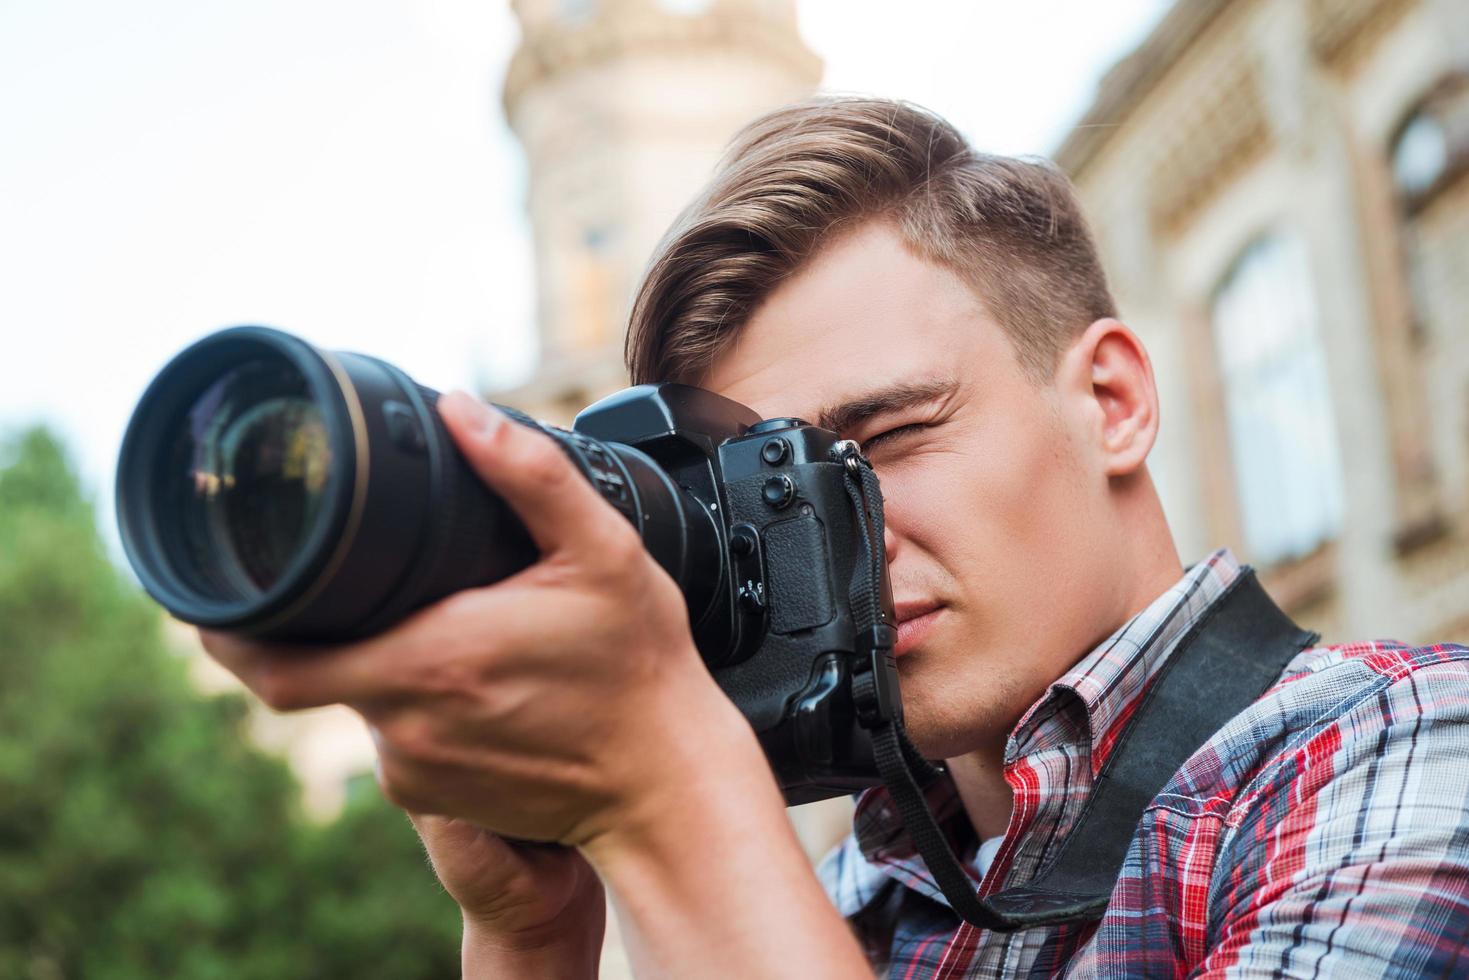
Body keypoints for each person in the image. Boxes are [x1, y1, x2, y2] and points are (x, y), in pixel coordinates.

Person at [201, 97, 1469, 977]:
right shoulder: (846, 900)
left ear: (1110, 401)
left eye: (885, 440)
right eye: (772, 498)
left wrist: (662, 785)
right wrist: (533, 935)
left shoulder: (1399, 758)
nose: (836, 544)